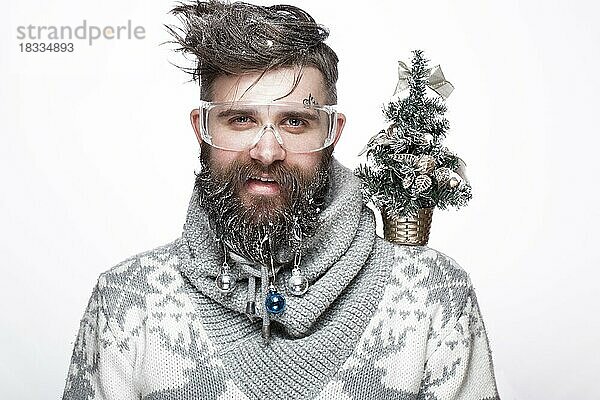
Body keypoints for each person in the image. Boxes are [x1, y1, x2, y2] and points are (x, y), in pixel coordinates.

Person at [62, 1, 500, 399]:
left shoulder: (431, 294)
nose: (267, 151)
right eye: (240, 119)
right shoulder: (127, 299)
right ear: (202, 128)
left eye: (294, 121)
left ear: (332, 134)